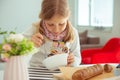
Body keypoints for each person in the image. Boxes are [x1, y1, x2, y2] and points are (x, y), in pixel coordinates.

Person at [23, 0, 81, 67]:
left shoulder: (73, 32)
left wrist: (73, 61)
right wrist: (29, 44)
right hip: (36, 72)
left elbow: (77, 57)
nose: (56, 30)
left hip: (62, 73)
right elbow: (16, 51)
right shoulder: (34, 30)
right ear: (43, 18)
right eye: (50, 24)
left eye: (61, 24)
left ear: (67, 17)